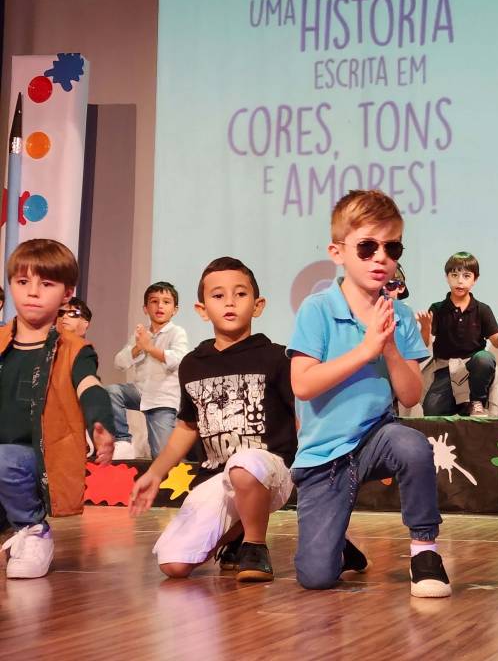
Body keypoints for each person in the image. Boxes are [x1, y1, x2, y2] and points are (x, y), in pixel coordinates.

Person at [288, 189, 450, 597]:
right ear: (337, 252)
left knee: (412, 445)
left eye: (392, 248)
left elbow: (410, 395)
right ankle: (336, 546)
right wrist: (365, 350)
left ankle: (425, 551)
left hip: (375, 438)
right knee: (316, 577)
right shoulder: (317, 309)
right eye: (367, 247)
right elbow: (303, 384)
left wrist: (390, 346)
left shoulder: (400, 315)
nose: (381, 257)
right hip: (325, 456)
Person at [130, 257, 298, 582]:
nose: (230, 302)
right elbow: (186, 426)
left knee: (244, 464)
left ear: (258, 305)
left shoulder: (278, 357)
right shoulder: (193, 364)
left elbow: (300, 418)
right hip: (217, 478)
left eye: (240, 294)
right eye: (218, 296)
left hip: (270, 473)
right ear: (202, 309)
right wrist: (155, 472)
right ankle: (236, 533)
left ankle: (254, 546)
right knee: (173, 563)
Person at [0, 239, 114, 579]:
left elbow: (89, 387)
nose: (33, 292)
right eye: (23, 282)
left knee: (5, 459)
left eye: (46, 284)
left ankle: (34, 530)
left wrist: (100, 424)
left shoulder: (75, 350)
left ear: (67, 294)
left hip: (39, 459)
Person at [417, 252, 498, 417]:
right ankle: (459, 406)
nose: (460, 281)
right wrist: (425, 326)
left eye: (466, 276)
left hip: (474, 370)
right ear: (446, 277)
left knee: (484, 358)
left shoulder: (482, 309)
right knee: (432, 411)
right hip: (446, 369)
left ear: (475, 279)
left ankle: (476, 402)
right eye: (454, 275)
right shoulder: (437, 308)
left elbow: (497, 343)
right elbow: (425, 343)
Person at [109, 282, 188, 459]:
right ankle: (123, 441)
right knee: (111, 391)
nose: (160, 306)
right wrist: (138, 347)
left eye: (166, 302)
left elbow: (179, 359)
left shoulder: (177, 332)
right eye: (154, 301)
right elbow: (119, 362)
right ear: (145, 308)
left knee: (162, 457)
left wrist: (149, 348)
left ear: (175, 310)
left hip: (162, 398)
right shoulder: (141, 334)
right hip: (139, 392)